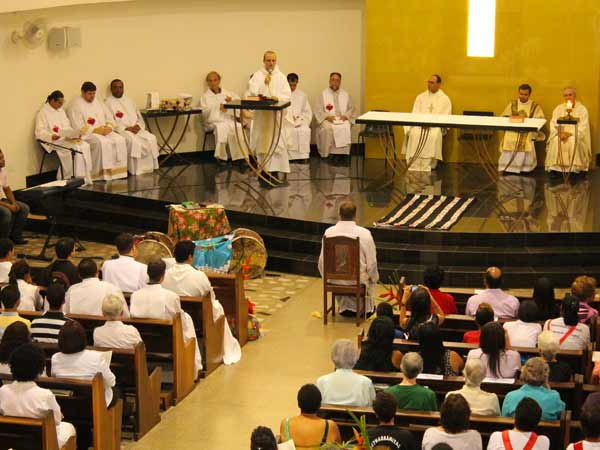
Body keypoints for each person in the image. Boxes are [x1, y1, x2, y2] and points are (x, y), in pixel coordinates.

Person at [163, 240, 241, 365]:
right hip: (197, 319)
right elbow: (211, 297)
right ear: (190, 256)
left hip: (170, 317)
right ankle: (217, 348)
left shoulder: (165, 275)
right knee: (216, 306)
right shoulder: (199, 276)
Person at [130, 258, 203, 373]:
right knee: (187, 321)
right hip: (166, 343)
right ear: (163, 276)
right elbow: (181, 321)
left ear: (148, 274)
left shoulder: (135, 295)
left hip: (143, 342)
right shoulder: (171, 296)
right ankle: (192, 369)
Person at [0, 343, 76, 448]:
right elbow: (57, 420)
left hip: (11, 441)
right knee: (69, 428)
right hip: (42, 442)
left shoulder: (3, 391)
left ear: (12, 367)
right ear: (39, 369)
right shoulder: (45, 395)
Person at [318, 201, 379, 316]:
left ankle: (345, 308)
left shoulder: (329, 232)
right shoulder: (365, 234)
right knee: (370, 276)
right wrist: (374, 278)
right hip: (357, 281)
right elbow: (372, 264)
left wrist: (327, 279)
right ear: (355, 215)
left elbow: (322, 262)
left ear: (339, 214)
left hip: (334, 279)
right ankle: (364, 309)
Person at [67, 81, 127, 181]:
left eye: (94, 93)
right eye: (89, 94)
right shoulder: (75, 105)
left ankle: (117, 173)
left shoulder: (98, 102)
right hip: (88, 134)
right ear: (83, 92)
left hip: (104, 130)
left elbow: (109, 117)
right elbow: (77, 126)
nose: (92, 96)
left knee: (120, 139)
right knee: (102, 142)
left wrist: (109, 127)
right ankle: (99, 175)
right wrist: (95, 130)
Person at [248, 50, 292, 178]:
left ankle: (276, 169)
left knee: (276, 140)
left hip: (275, 115)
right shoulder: (257, 75)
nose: (271, 63)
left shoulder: (281, 77)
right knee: (262, 139)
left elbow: (287, 95)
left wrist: (277, 98)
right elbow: (252, 91)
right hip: (262, 114)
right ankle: (264, 168)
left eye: (273, 60)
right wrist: (264, 83)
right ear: (264, 61)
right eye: (268, 60)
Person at [51, 320, 116, 406]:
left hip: (66, 404)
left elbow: (54, 378)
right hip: (94, 404)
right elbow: (111, 382)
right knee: (117, 391)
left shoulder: (55, 358)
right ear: (82, 338)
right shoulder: (96, 357)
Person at [34, 89, 93, 184]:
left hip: (65, 138)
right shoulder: (42, 113)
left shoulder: (60, 111)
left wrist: (73, 134)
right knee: (75, 148)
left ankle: (84, 178)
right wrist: (51, 136)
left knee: (84, 145)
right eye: (59, 103)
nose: (61, 105)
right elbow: (39, 132)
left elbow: (67, 126)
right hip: (53, 141)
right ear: (52, 100)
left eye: (62, 103)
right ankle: (69, 178)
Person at [105, 79, 158, 174]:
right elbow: (110, 121)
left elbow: (139, 116)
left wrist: (138, 125)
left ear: (123, 88)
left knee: (151, 138)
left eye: (120, 87)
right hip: (123, 131)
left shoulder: (129, 100)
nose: (118, 90)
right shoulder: (107, 103)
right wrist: (126, 128)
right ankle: (135, 169)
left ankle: (150, 167)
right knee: (133, 141)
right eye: (115, 87)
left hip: (136, 129)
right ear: (111, 89)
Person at [402, 75, 452, 172]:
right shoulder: (420, 97)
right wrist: (421, 123)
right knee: (414, 133)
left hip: (435, 126)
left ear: (439, 84)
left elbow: (446, 117)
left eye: (432, 83)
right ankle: (413, 161)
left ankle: (431, 163)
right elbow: (415, 113)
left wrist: (432, 124)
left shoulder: (445, 99)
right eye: (428, 82)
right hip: (420, 125)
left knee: (434, 134)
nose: (429, 84)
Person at [497, 84, 546, 174]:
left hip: (527, 131)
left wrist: (528, 120)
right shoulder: (513, 104)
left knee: (527, 140)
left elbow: (540, 119)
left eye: (525, 94)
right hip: (513, 130)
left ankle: (525, 169)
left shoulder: (534, 106)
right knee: (508, 138)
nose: (522, 96)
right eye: (521, 94)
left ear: (529, 94)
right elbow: (504, 116)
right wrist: (511, 117)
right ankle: (507, 167)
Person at [200, 71, 245, 165]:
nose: (213, 83)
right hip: (213, 121)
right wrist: (217, 107)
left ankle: (240, 157)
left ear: (219, 80)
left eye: (215, 80)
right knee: (221, 128)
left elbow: (238, 106)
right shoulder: (205, 97)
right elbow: (204, 113)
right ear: (207, 82)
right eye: (210, 81)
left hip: (228, 119)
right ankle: (221, 157)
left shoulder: (228, 93)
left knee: (238, 127)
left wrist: (230, 103)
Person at [545, 87, 592, 176]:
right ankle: (555, 169)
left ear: (575, 96)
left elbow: (583, 127)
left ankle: (574, 169)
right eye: (565, 95)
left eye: (570, 95)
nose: (568, 97)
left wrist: (569, 134)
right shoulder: (558, 108)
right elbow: (553, 123)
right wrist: (560, 133)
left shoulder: (582, 109)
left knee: (573, 141)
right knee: (556, 140)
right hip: (560, 134)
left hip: (574, 135)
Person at [279, 384, 341, 449]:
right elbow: (340, 447)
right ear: (320, 405)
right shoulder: (330, 426)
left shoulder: (285, 424)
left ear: (298, 404)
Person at [316, 339, 375, 407]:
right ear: (356, 357)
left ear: (332, 357)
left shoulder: (321, 381)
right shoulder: (366, 382)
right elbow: (372, 407)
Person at [64, 258, 129, 317]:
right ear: (97, 273)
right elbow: (126, 316)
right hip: (104, 326)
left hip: (77, 325)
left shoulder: (72, 290)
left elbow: (65, 312)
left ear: (79, 275)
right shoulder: (112, 288)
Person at [315, 72, 356, 159]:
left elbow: (352, 108)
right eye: (333, 80)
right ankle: (326, 154)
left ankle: (343, 154)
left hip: (342, 119)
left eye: (337, 80)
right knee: (327, 128)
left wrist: (346, 116)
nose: (335, 82)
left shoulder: (346, 94)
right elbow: (318, 110)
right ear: (329, 81)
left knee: (346, 126)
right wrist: (327, 117)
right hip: (328, 119)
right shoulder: (323, 94)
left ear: (340, 82)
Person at [0, 150, 29, 244]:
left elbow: (7, 189)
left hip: (1, 200)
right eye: (0, 159)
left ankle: (15, 236)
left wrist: (14, 203)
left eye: (3, 157)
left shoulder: (2, 171)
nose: (3, 160)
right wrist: (9, 206)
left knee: (24, 208)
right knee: (6, 213)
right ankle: (3, 241)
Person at [286, 73, 313, 161]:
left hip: (299, 121)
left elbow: (307, 112)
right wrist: (289, 118)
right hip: (286, 121)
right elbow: (280, 110)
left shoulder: (302, 95)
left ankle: (303, 156)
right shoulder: (282, 95)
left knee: (305, 130)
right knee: (288, 130)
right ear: (287, 82)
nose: (292, 87)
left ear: (297, 82)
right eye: (290, 85)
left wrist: (300, 119)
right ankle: (288, 156)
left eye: (294, 85)